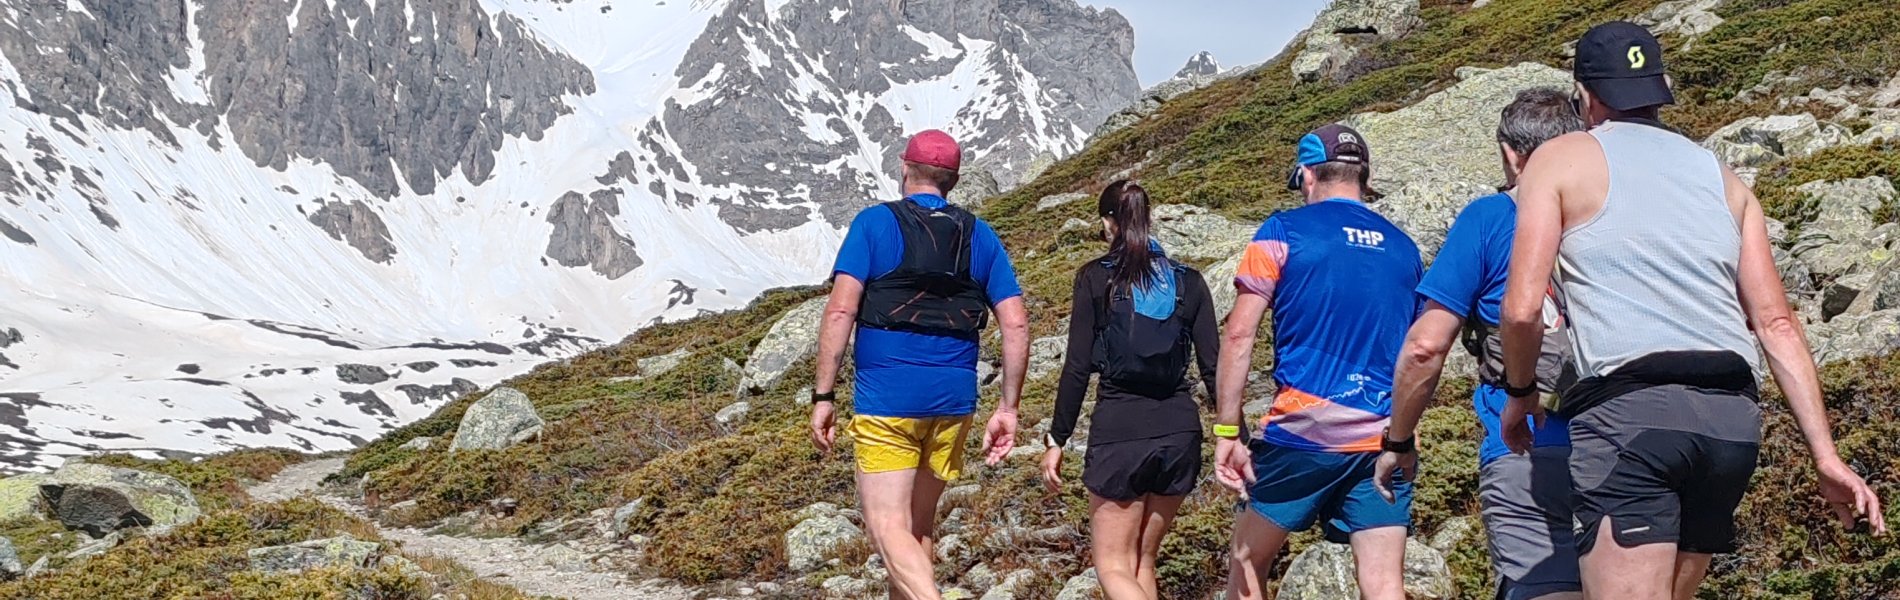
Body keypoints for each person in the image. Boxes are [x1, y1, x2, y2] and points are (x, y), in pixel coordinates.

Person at [1499, 22, 1887, 600]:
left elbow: (1524, 309)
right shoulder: (1721, 176)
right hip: (1730, 426)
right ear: (1660, 87)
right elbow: (1776, 324)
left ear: (1585, 93)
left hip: (1632, 415)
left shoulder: (1557, 159)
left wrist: (1521, 390)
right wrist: (1826, 457)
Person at [1373, 88, 1585, 600]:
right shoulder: (1608, 215)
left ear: (1512, 155)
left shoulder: (1489, 217)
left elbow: (1427, 346)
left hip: (1525, 445)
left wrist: (1398, 440)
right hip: (1623, 440)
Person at [810, 130, 1030, 600]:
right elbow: (1015, 324)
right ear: (953, 179)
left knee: (887, 526)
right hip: (954, 400)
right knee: (916, 529)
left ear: (905, 168)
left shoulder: (874, 224)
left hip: (888, 398)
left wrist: (823, 396)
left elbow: (841, 310)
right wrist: (1008, 407)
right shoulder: (981, 235)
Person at [1214, 124, 1424, 600]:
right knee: (1385, 583)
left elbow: (1239, 332)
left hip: (1303, 430)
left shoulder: (1282, 231)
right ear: (1364, 179)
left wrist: (1228, 429)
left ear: (1307, 175)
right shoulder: (1406, 249)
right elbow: (1418, 353)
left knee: (1249, 561)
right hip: (1381, 436)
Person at [1040, 180, 1221, 600]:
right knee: (1142, 561)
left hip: (1120, 432)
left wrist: (1058, 437)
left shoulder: (1094, 278)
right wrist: (1235, 434)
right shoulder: (1188, 282)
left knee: (1113, 565)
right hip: (1180, 434)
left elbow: (1077, 365)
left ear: (1109, 223)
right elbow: (1214, 369)